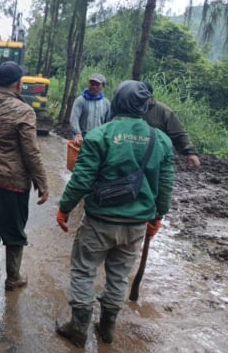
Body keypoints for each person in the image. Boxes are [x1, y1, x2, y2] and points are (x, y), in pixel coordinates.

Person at [55, 80, 175, 347]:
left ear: (116, 103)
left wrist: (64, 209)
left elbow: (81, 180)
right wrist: (157, 217)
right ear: (144, 106)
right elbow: (166, 185)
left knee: (84, 270)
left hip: (100, 222)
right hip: (135, 226)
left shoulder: (100, 136)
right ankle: (106, 328)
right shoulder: (161, 141)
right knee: (119, 276)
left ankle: (78, 327)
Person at [0, 62, 49, 291]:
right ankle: (13, 277)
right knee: (14, 231)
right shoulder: (24, 111)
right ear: (19, 83)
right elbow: (31, 151)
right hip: (13, 181)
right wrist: (42, 182)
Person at [142, 82, 201, 169]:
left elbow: (178, 133)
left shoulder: (163, 111)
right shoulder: (127, 108)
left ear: (150, 96)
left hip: (157, 155)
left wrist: (190, 153)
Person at [70, 74, 111, 145]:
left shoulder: (106, 103)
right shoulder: (81, 100)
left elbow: (108, 123)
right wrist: (78, 133)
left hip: (98, 140)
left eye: (97, 84)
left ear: (103, 86)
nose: (94, 86)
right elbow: (74, 118)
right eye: (92, 84)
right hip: (82, 139)